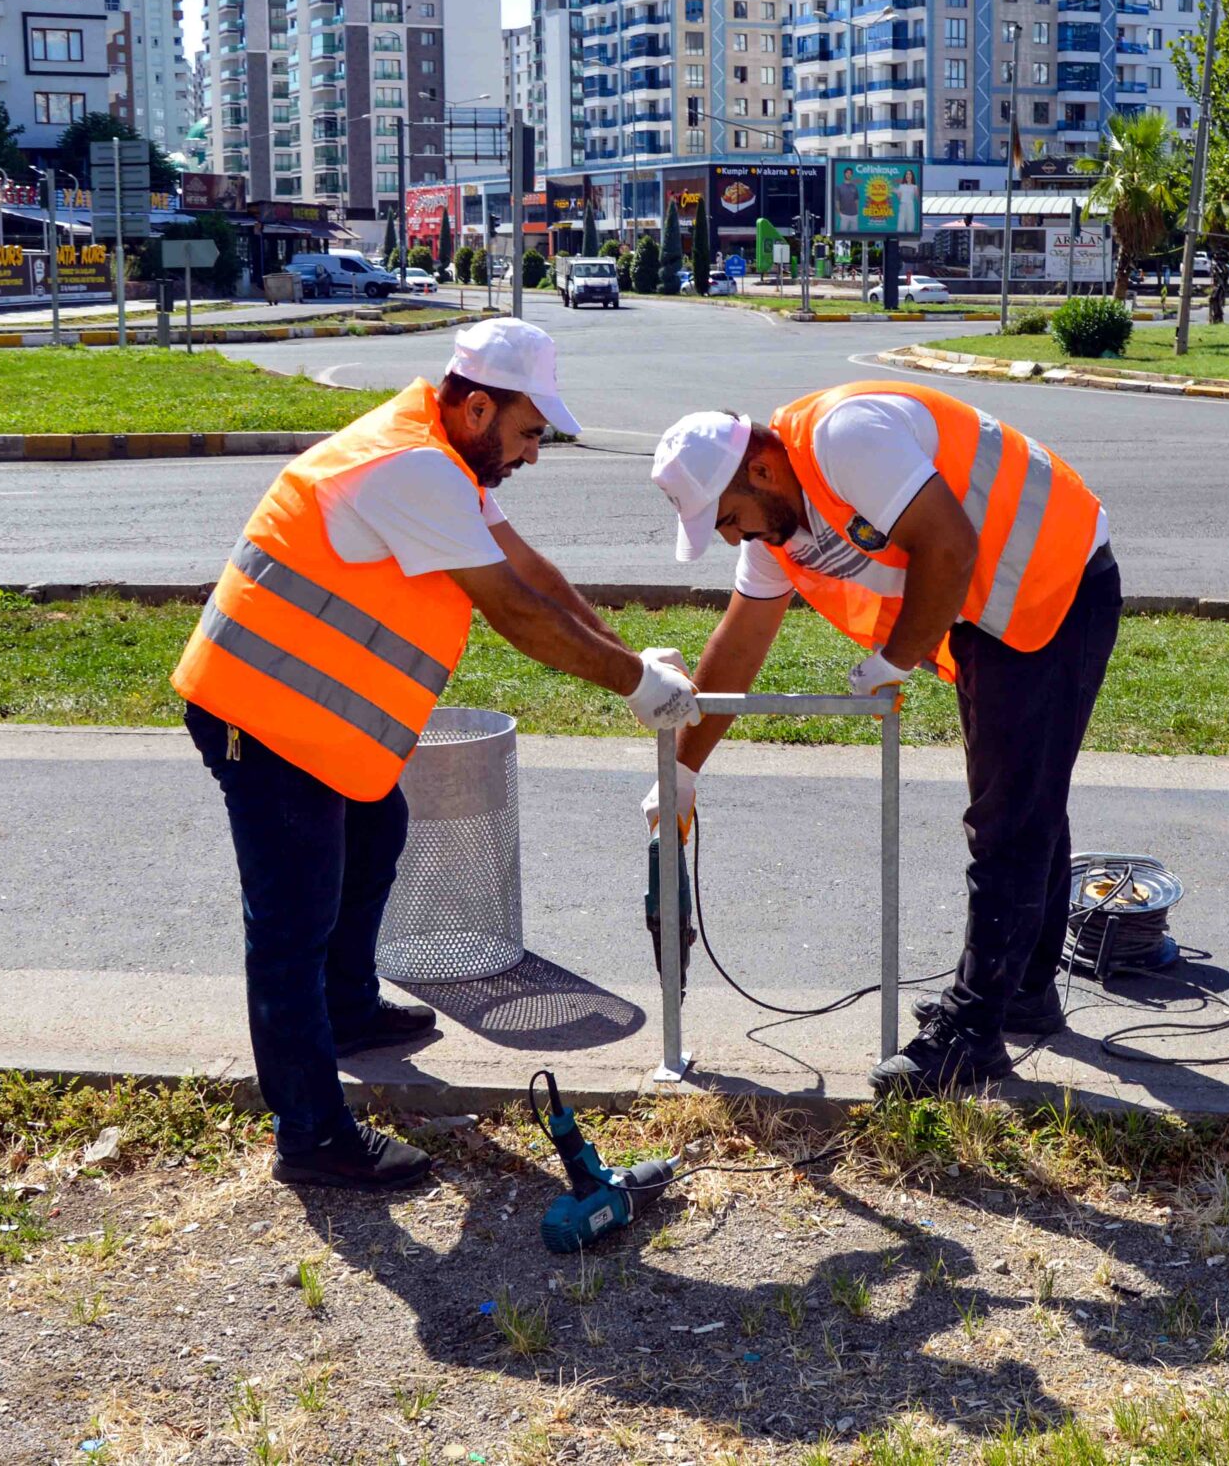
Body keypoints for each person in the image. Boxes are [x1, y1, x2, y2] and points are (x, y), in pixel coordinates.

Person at [176, 319, 700, 1191]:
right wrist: (631, 685)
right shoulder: (414, 465)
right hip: (258, 710)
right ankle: (311, 1137)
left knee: (377, 832)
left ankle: (344, 1013)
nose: (533, 454)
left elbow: (531, 571)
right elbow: (514, 611)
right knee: (289, 925)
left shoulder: (442, 451)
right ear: (481, 406)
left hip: (319, 723)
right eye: (531, 432)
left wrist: (630, 656)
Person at [646, 380, 1120, 1095]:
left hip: (1055, 577)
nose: (738, 537)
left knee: (1010, 816)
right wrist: (683, 772)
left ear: (764, 471)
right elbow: (740, 643)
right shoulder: (782, 526)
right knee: (1021, 799)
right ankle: (1021, 991)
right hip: (992, 604)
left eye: (734, 518)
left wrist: (894, 658)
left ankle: (971, 1034)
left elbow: (950, 545)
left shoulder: (844, 439)